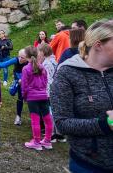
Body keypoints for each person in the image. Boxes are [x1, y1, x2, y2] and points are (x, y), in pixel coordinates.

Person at [51, 19, 113, 172]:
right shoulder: (67, 73)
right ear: (99, 45)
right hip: (89, 164)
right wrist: (104, 124)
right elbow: (62, 123)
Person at [21, 46, 53, 151]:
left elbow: (24, 86)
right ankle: (48, 141)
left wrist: (24, 96)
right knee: (47, 119)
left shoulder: (26, 68)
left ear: (26, 56)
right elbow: (45, 81)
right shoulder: (42, 67)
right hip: (43, 96)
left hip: (32, 97)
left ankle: (36, 142)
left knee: (35, 120)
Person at [0, 49, 28, 126]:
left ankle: (22, 116)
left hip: (26, 80)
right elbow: (4, 64)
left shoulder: (30, 63)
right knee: (14, 94)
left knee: (24, 98)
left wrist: (23, 79)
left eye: (22, 57)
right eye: (19, 56)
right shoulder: (15, 60)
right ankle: (18, 116)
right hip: (17, 80)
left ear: (27, 57)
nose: (20, 59)